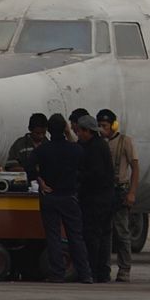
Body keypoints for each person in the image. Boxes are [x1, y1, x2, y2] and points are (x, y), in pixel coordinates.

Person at [34, 113, 94, 283]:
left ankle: (57, 273)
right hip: (69, 196)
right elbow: (83, 166)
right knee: (76, 236)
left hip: (50, 196)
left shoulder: (42, 150)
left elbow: (29, 167)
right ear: (65, 129)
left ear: (48, 130)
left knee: (53, 236)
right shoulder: (75, 149)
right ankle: (85, 273)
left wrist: (41, 181)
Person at [97, 108, 139, 283]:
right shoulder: (99, 143)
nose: (101, 129)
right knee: (103, 233)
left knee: (122, 233)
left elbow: (135, 167)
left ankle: (124, 269)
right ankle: (104, 268)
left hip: (120, 190)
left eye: (104, 125)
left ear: (113, 125)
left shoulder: (125, 142)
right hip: (104, 192)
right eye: (99, 125)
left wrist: (132, 193)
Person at [75, 114, 115, 283]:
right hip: (105, 198)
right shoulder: (99, 145)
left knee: (93, 236)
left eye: (79, 131)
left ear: (87, 131)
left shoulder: (95, 148)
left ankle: (95, 271)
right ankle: (102, 272)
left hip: (96, 199)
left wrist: (78, 177)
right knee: (103, 236)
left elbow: (96, 174)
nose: (78, 135)